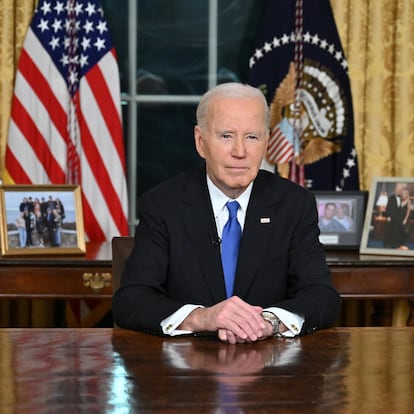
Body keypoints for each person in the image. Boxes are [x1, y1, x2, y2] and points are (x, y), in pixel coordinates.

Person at [113, 82, 341, 344]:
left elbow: (322, 296)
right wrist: (202, 318)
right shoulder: (163, 205)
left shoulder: (294, 204)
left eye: (252, 137)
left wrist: (269, 322)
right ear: (201, 141)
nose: (240, 152)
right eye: (226, 136)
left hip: (271, 370)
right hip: (185, 370)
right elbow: (131, 300)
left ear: (266, 141)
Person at [383, 182, 407, 248]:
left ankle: (400, 245)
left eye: (400, 189)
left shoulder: (403, 199)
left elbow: (404, 212)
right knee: (394, 228)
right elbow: (389, 211)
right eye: (398, 189)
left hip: (399, 221)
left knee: (401, 228)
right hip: (393, 220)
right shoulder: (391, 199)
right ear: (395, 189)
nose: (399, 190)